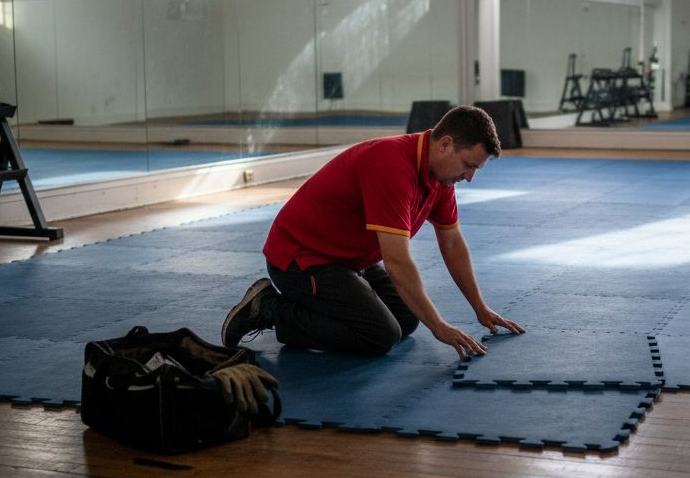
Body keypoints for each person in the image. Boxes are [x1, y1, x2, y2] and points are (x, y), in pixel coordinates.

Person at [221, 105, 524, 360]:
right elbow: (397, 262)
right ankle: (269, 308)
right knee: (380, 335)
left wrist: (479, 308)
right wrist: (440, 326)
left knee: (406, 319)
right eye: (468, 166)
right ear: (445, 144)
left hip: (350, 261)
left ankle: (318, 310)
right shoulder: (392, 167)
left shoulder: (440, 176)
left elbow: (453, 243)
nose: (469, 177)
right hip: (301, 259)